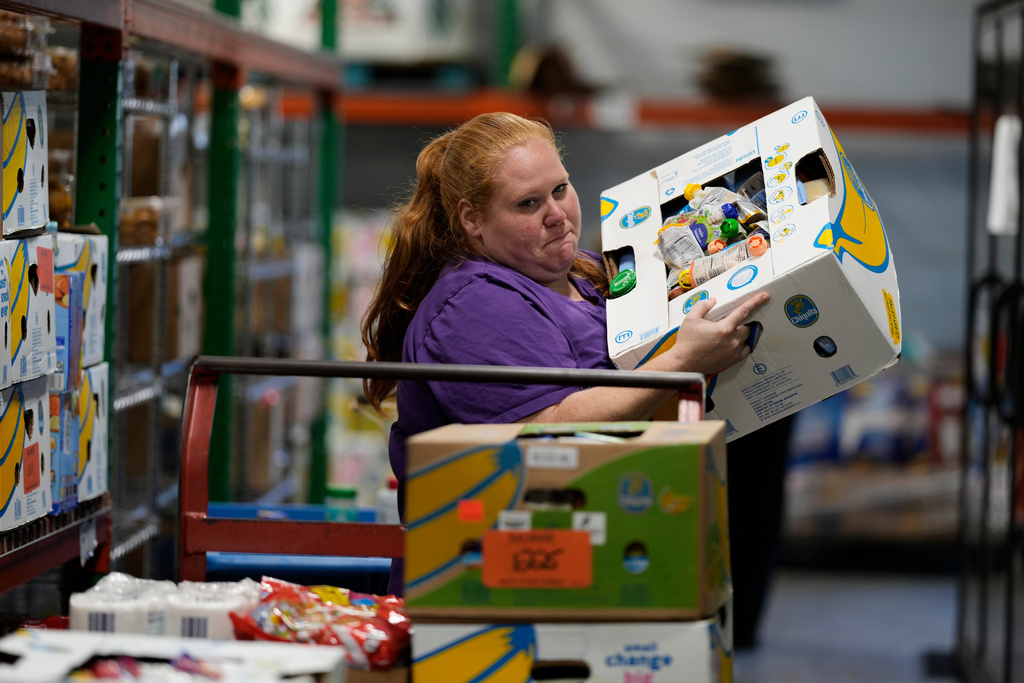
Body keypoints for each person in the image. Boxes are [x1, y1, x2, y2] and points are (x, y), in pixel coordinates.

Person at [360, 111, 770, 596]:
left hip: (605, 548)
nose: (556, 214)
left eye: (560, 189)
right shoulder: (475, 305)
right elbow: (548, 428)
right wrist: (681, 362)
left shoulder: (582, 272)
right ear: (472, 219)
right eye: (528, 203)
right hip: (499, 584)